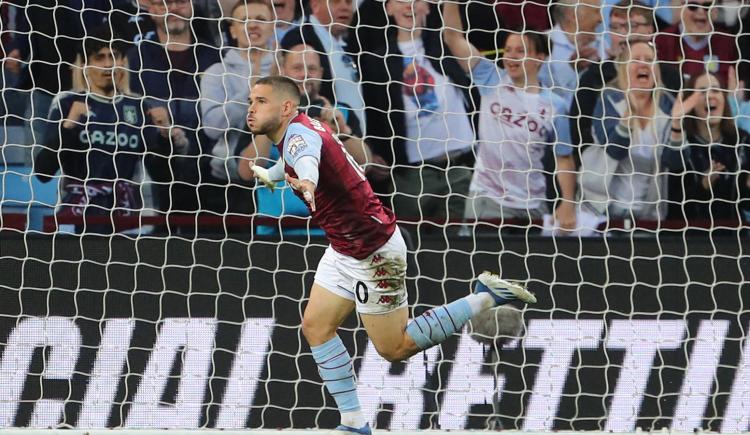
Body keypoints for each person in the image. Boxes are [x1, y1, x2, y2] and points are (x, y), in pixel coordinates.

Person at [245, 75, 536, 434]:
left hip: (373, 252)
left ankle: (484, 297)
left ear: (286, 107)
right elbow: (303, 156)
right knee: (316, 327)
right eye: (251, 101)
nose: (251, 108)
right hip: (344, 247)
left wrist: (306, 180)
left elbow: (306, 160)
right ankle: (353, 422)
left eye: (260, 101)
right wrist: (275, 173)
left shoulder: (300, 137)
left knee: (395, 347)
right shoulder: (302, 126)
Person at [441, 1, 577, 231]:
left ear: (540, 57)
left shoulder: (556, 106)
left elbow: (564, 158)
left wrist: (568, 202)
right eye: (509, 50)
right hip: (487, 199)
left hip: (533, 204)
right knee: (482, 267)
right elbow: (453, 37)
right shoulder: (490, 78)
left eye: (521, 51)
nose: (512, 56)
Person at [33, 31, 179, 234]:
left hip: (127, 214)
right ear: (84, 65)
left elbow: (162, 176)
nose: (108, 64)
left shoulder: (138, 106)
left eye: (113, 57)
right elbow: (42, 172)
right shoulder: (66, 102)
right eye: (99, 58)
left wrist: (165, 137)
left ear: (122, 62)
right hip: (76, 214)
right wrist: (69, 124)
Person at [359, 0, 476, 228]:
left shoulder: (445, 47)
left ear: (429, 7)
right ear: (388, 9)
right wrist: (374, 152)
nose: (408, 6)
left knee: (461, 251)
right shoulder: (375, 60)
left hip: (460, 170)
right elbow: (374, 114)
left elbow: (454, 32)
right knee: (412, 250)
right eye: (400, 1)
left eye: (416, 0)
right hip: (411, 177)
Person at [127, 0, 221, 222]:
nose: (173, 9)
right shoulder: (134, 59)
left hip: (207, 176)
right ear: (151, 10)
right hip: (152, 173)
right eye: (164, 3)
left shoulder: (215, 57)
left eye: (180, 2)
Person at [581, 40, 681, 223]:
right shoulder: (608, 99)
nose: (643, 64)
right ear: (623, 68)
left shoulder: (668, 105)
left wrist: (677, 126)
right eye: (636, 59)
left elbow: (674, 162)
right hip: (599, 209)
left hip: (647, 214)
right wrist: (629, 116)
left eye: (649, 59)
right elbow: (614, 151)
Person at [570, 0, 681, 148]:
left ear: (650, 30)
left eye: (632, 26)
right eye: (617, 27)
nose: (625, 34)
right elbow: (581, 133)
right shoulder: (594, 77)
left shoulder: (671, 77)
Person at [201, 0, 277, 189]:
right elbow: (211, 127)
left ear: (272, 28)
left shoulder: (287, 69)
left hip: (283, 180)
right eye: (244, 20)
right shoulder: (217, 72)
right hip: (228, 184)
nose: (252, 25)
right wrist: (248, 96)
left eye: (260, 19)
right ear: (233, 30)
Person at [670, 72, 750, 222]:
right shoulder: (680, 143)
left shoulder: (743, 141)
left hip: (736, 240)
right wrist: (703, 186)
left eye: (715, 90)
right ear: (689, 102)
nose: (710, 96)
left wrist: (747, 185)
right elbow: (672, 207)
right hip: (690, 241)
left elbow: (745, 205)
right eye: (702, 91)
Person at [280, 0, 365, 128]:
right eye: (335, 2)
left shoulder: (349, 43)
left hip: (351, 136)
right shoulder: (300, 37)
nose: (344, 7)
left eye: (348, 2)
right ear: (315, 5)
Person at [655, 0, 737, 85]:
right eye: (693, 6)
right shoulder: (662, 41)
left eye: (707, 6)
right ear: (681, 9)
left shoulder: (728, 43)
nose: (701, 11)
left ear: (715, 11)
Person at [540, 0, 603, 107]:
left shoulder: (601, 43)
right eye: (596, 12)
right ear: (573, 15)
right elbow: (541, 90)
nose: (600, 19)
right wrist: (571, 68)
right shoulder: (542, 42)